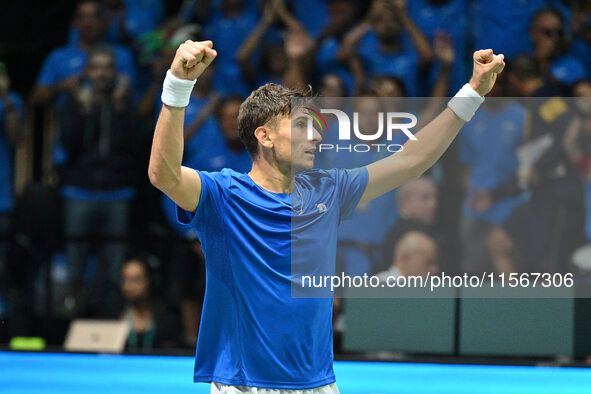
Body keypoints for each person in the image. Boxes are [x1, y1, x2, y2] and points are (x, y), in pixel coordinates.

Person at [148, 39, 504, 391]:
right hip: (245, 384)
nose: (316, 135)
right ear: (265, 136)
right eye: (303, 125)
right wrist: (179, 84)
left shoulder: (328, 189)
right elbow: (163, 173)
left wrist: (473, 92)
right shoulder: (222, 195)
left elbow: (412, 160)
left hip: (318, 384)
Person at [57, 47, 143, 316]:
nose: (102, 73)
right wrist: (84, 110)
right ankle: (72, 324)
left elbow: (135, 148)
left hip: (116, 193)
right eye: (96, 67)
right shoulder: (75, 102)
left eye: (107, 67)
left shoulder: (125, 104)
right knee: (76, 265)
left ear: (115, 72)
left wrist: (120, 109)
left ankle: (111, 321)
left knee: (114, 267)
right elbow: (69, 145)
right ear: (88, 71)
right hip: (80, 191)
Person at [100, 255, 180, 350]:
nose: (128, 286)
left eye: (135, 280)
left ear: (150, 281)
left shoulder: (167, 318)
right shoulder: (110, 315)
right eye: (124, 280)